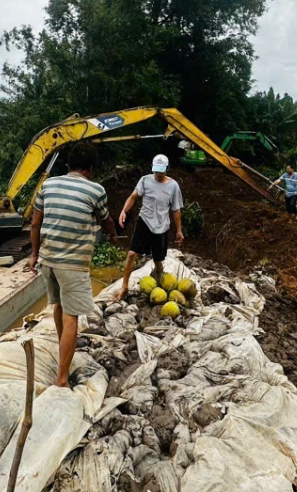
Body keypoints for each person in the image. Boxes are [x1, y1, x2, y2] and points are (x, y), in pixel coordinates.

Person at [26, 143, 118, 387]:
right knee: (71, 317)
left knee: (57, 306)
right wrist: (113, 234)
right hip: (72, 264)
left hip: (48, 260)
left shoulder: (48, 184)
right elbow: (105, 219)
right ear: (90, 169)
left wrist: (34, 255)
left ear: (67, 166)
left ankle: (62, 348)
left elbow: (36, 223)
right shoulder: (95, 190)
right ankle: (62, 378)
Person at [115, 154, 184, 301]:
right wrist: (124, 211)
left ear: (167, 169)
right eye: (156, 171)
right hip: (144, 221)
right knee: (132, 254)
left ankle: (160, 281)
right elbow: (134, 196)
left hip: (161, 227)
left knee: (158, 259)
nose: (158, 174)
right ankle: (124, 287)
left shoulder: (173, 186)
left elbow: (176, 210)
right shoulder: (145, 180)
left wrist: (179, 230)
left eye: (161, 171)